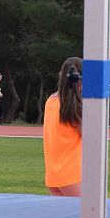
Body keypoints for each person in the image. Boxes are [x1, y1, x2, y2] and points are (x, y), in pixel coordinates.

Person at [43, 58, 83, 197]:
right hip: (72, 176)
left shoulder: (51, 101)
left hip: (53, 176)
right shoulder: (74, 107)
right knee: (90, 216)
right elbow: (92, 138)